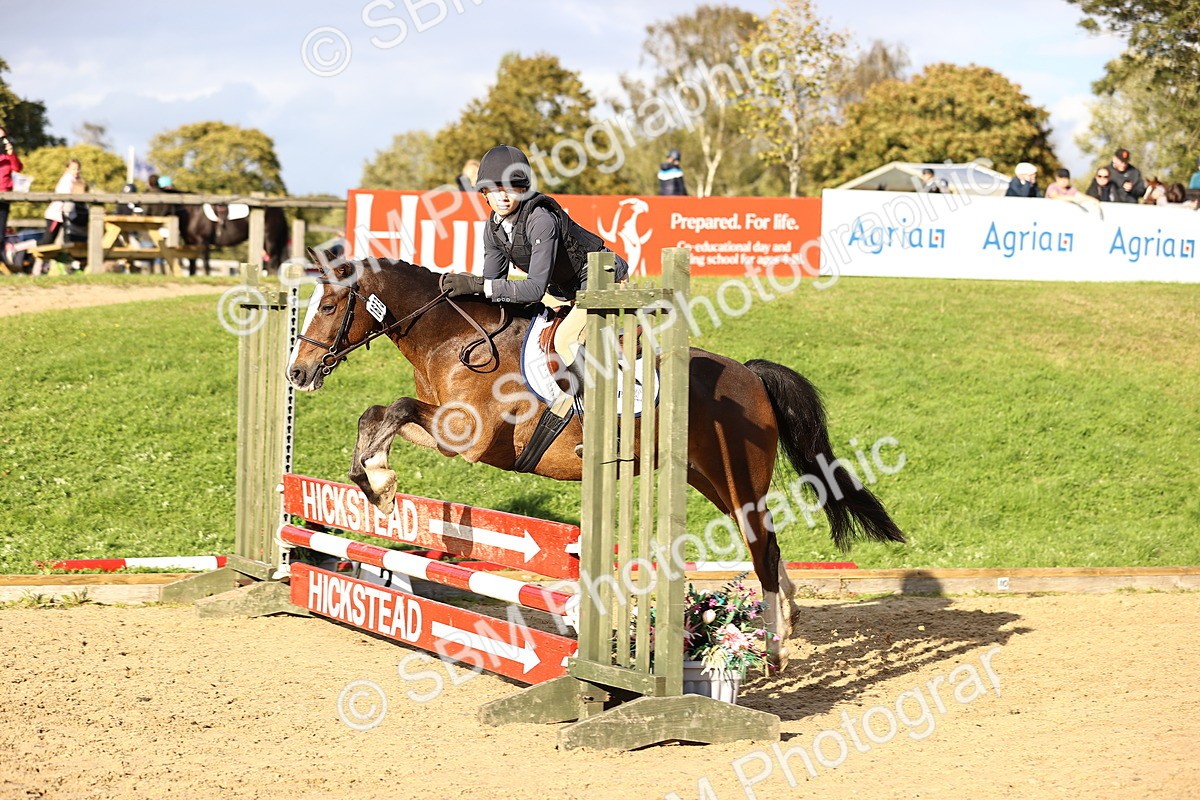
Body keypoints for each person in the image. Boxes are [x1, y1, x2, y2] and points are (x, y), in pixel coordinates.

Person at [440, 144, 629, 465]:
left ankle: (607, 432)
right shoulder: (494, 228)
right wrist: (466, 291)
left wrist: (477, 284)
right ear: (483, 192)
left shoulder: (541, 219)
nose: (502, 196)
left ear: (524, 189)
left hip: (603, 280)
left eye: (511, 188)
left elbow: (532, 289)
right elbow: (493, 287)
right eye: (494, 189)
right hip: (567, 290)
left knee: (566, 340)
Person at [0, 126, 24, 271]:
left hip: (3, 200)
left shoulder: (8, 158)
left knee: (0, 236)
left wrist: (11, 153)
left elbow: (18, 167)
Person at [42, 158, 81, 244]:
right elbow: (67, 197)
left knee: (68, 238)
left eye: (78, 169)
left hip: (64, 215)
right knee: (47, 241)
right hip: (56, 215)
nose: (76, 171)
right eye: (74, 169)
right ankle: (24, 250)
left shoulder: (74, 180)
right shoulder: (67, 179)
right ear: (67, 169)